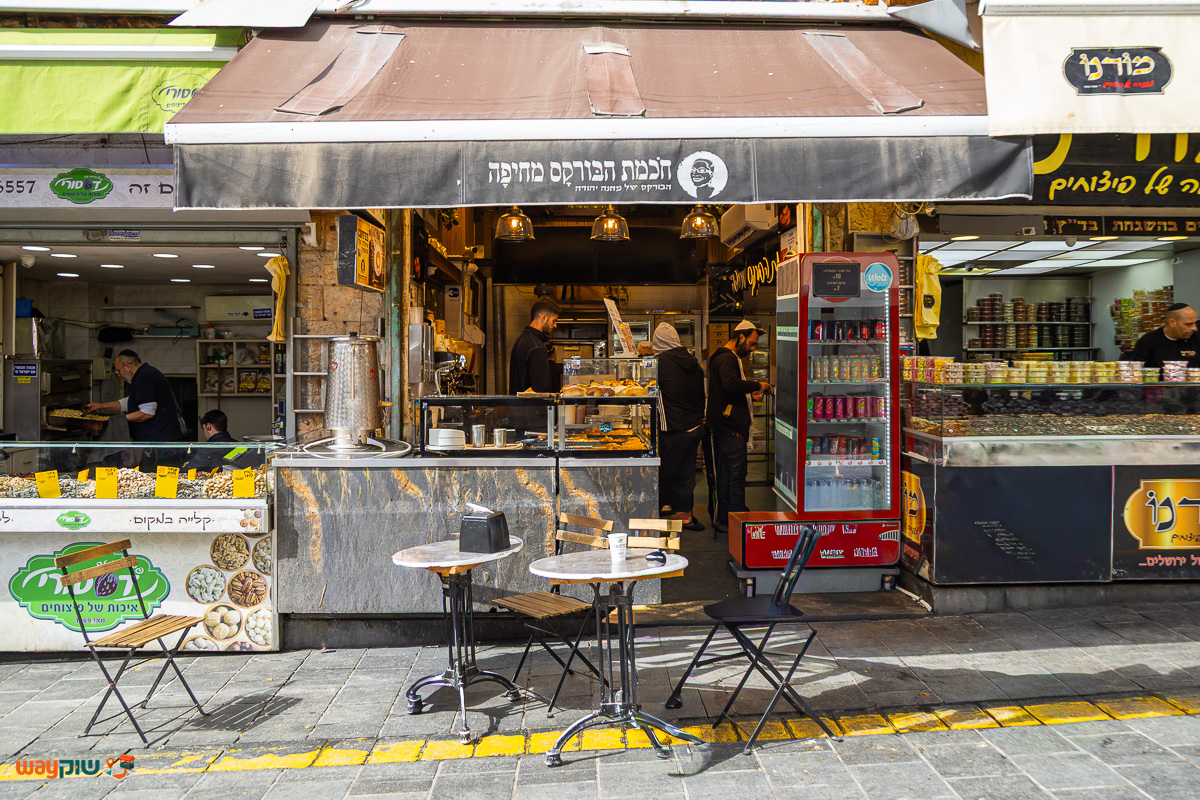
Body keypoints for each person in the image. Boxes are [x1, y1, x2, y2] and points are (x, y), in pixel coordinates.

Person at [706, 321, 771, 533]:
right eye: (751, 344)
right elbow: (730, 384)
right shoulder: (727, 357)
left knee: (729, 475)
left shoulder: (726, 357)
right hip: (729, 431)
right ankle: (733, 520)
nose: (752, 349)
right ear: (740, 337)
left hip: (727, 429)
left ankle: (731, 516)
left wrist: (748, 395)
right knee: (734, 475)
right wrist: (757, 385)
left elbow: (729, 389)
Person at [652, 323, 705, 532]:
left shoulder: (661, 363)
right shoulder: (692, 362)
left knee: (668, 472)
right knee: (685, 473)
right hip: (693, 426)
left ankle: (669, 510)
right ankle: (684, 515)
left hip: (673, 428)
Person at [87, 350, 183, 443]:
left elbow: (147, 412)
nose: (119, 375)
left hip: (158, 440)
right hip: (159, 437)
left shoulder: (144, 377)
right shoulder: (145, 373)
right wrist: (100, 406)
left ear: (127, 367)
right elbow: (130, 402)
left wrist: (118, 420)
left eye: (118, 371)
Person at [508, 297, 560, 393]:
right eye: (554, 320)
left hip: (518, 406)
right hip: (531, 407)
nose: (555, 325)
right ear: (544, 317)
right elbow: (540, 390)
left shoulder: (522, 339)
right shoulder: (537, 347)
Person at [1129, 303, 1200, 369]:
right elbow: (1136, 372)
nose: (1194, 328)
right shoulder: (1148, 341)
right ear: (1172, 323)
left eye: (1195, 323)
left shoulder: (1197, 339)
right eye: (1188, 324)